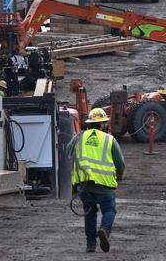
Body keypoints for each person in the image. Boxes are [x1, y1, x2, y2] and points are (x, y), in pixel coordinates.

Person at [69, 108, 125, 253]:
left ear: (89, 124)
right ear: (103, 124)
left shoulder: (79, 137)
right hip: (104, 184)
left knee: (90, 213)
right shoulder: (109, 139)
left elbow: (68, 150)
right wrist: (120, 175)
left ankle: (91, 245)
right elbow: (120, 163)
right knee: (109, 210)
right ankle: (104, 230)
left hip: (84, 184)